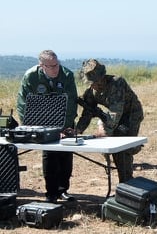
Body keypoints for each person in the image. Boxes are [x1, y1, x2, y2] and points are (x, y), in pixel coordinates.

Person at [16, 50, 78, 203]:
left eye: (56, 64)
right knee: (50, 156)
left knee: (65, 155)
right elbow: (22, 104)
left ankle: (63, 190)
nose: (55, 68)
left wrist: (64, 128)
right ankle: (51, 192)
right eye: (50, 66)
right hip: (41, 123)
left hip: (64, 123)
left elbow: (71, 104)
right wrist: (31, 127)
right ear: (41, 66)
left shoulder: (67, 75)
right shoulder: (31, 76)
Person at [75, 59, 144, 182]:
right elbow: (87, 113)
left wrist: (102, 126)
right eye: (91, 83)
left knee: (123, 147)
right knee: (114, 145)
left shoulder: (117, 83)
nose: (93, 85)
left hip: (131, 114)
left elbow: (114, 117)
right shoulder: (91, 92)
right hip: (114, 116)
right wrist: (77, 130)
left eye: (95, 81)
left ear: (102, 77)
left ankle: (126, 182)